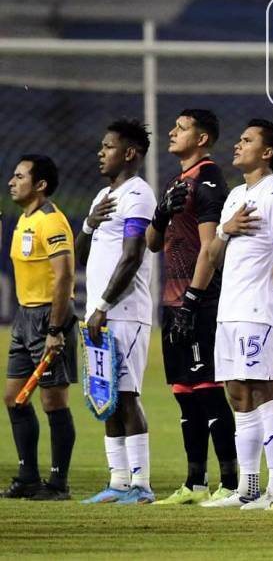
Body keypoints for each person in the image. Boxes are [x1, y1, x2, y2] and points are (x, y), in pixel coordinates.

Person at [145, 109, 238, 506]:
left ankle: (232, 483)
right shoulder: (174, 183)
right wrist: (161, 211)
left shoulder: (209, 179)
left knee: (209, 391)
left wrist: (192, 303)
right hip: (173, 300)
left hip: (199, 301)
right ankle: (194, 482)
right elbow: (152, 243)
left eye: (181, 128)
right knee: (184, 391)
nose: (172, 131)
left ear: (201, 139)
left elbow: (209, 249)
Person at [204, 119, 273, 509]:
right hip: (230, 308)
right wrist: (225, 230)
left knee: (262, 392)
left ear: (267, 152)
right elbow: (212, 256)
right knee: (237, 394)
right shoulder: (236, 196)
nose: (238, 145)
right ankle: (249, 487)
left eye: (247, 140)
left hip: (258, 309)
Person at [77, 119, 158, 504]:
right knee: (106, 396)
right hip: (101, 313)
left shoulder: (138, 195)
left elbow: (132, 257)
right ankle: (118, 482)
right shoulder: (101, 197)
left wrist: (104, 306)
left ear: (129, 153)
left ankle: (141, 485)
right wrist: (89, 226)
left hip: (124, 313)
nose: (100, 152)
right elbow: (81, 255)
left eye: (108, 146)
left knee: (126, 395)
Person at [1, 155, 77, 500]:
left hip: (50, 318)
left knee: (53, 402)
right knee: (14, 399)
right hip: (23, 319)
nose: (11, 182)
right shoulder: (22, 220)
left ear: (40, 185)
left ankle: (58, 484)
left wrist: (56, 328)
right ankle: (28, 477)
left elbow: (63, 277)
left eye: (19, 176)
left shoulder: (52, 222)